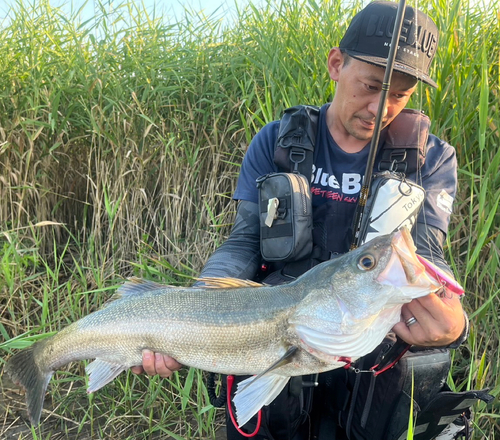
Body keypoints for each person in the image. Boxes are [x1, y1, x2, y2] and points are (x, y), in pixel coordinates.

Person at [132, 2, 473, 439]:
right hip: (280, 336)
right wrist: (199, 309)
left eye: (399, 94)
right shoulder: (276, 141)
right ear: (336, 64)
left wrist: (453, 326)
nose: (379, 107)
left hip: (369, 354)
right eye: (370, 85)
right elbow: (243, 241)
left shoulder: (430, 158)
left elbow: (424, 256)